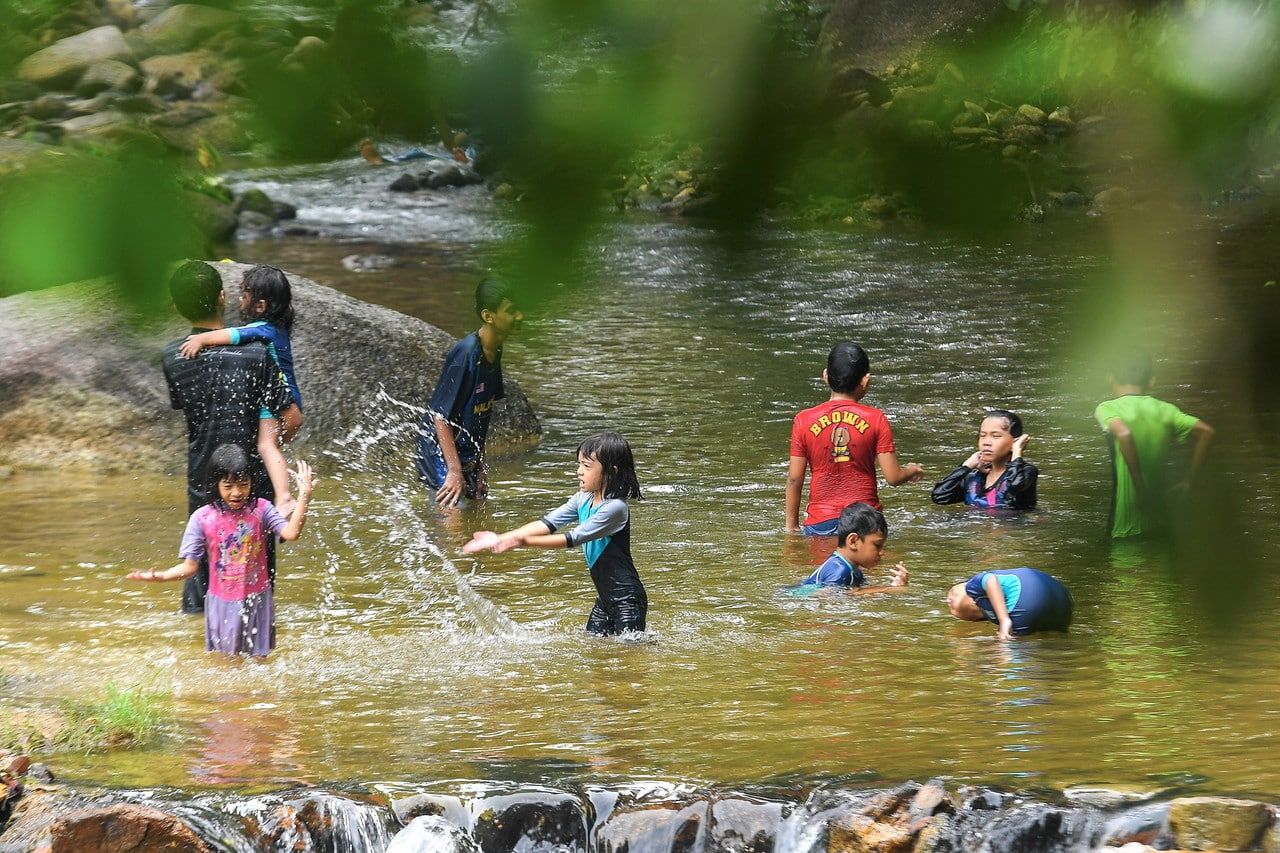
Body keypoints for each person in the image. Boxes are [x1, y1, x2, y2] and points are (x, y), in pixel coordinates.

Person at [162, 261, 297, 613]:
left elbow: (190, 407)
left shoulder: (173, 357)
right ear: (222, 297)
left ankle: (196, 639)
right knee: (255, 590)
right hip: (252, 485)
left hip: (204, 481)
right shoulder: (258, 353)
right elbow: (290, 416)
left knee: (199, 580)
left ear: (177, 308)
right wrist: (271, 448)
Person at [127, 444, 316, 658]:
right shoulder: (202, 518)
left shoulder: (261, 509)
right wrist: (161, 576)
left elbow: (291, 533)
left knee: (260, 660)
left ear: (252, 482)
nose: (237, 492)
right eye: (228, 486)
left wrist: (304, 497)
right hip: (222, 605)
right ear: (215, 484)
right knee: (225, 662)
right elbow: (190, 567)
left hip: (259, 601)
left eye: (243, 484)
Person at [463, 432, 647, 636]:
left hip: (627, 600)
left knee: (632, 653)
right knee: (594, 647)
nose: (579, 471)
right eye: (579, 464)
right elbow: (548, 524)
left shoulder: (615, 508)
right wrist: (502, 538)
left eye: (587, 466)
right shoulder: (583, 498)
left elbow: (572, 538)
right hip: (604, 599)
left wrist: (521, 541)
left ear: (611, 472)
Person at [180, 265, 303, 515]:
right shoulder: (277, 328)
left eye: (244, 294)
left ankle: (285, 497)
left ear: (261, 305)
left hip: (279, 398)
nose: (240, 299)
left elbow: (235, 335)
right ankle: (282, 492)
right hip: (282, 396)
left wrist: (201, 339)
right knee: (268, 447)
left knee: (266, 446)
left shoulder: (264, 329)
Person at [786, 342, 923, 535]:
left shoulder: (804, 420)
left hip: (821, 523)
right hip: (866, 521)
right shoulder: (876, 419)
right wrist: (911, 470)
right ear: (865, 381)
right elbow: (893, 477)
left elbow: (794, 478)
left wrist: (791, 527)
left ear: (826, 376)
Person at [416, 274, 523, 506]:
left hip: (463, 448)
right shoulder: (466, 354)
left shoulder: (495, 349)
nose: (520, 316)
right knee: (454, 514)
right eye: (511, 311)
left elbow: (482, 413)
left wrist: (480, 467)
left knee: (478, 507)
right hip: (438, 449)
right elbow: (440, 417)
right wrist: (454, 471)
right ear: (488, 316)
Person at [1094, 353, 1215, 538]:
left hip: (1125, 524)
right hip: (1161, 519)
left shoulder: (1107, 408)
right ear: (1152, 381)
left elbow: (1124, 434)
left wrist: (1139, 489)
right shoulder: (1167, 409)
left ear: (1110, 378)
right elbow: (1207, 432)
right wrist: (1189, 481)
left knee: (1123, 556)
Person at [931, 409, 1038, 510]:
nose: (986, 442)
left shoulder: (1026, 472)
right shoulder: (974, 475)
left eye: (995, 436)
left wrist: (1017, 451)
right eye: (982, 436)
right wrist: (966, 467)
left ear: (1015, 441)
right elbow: (939, 496)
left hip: (1010, 523)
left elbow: (1015, 485)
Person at [801, 502, 909, 593]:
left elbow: (857, 591)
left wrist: (894, 585)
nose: (882, 552)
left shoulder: (853, 570)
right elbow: (831, 598)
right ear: (853, 541)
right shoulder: (838, 570)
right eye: (877, 545)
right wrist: (889, 589)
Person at [946, 568, 1073, 639]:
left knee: (1006, 648)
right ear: (973, 619)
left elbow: (990, 580)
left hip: (1027, 598)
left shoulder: (972, 585)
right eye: (952, 608)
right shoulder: (990, 613)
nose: (948, 600)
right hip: (1063, 603)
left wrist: (1004, 619)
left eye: (953, 594)